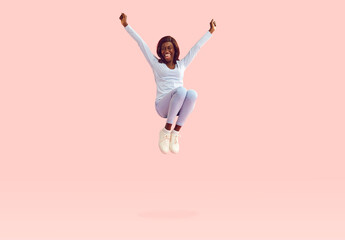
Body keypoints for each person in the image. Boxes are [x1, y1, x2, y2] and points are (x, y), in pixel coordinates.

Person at [119, 13, 216, 154]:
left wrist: (210, 31)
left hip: (177, 105)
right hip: (162, 106)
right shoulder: (156, 63)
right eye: (163, 48)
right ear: (160, 51)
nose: (166, 51)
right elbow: (141, 43)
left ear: (174, 49)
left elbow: (197, 48)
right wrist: (126, 25)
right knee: (182, 90)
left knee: (193, 93)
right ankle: (166, 131)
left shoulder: (181, 64)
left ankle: (175, 133)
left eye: (169, 47)